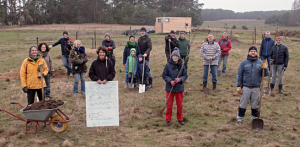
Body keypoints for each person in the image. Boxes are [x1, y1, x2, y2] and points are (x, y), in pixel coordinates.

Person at [236, 46, 269, 124]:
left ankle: (254, 119)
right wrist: (238, 86)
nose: (253, 52)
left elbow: (266, 74)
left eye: (254, 51)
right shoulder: (244, 63)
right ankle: (240, 119)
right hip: (246, 87)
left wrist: (265, 68)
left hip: (256, 87)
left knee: (255, 105)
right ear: (248, 52)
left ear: (256, 53)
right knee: (243, 104)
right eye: (251, 51)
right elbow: (239, 74)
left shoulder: (260, 62)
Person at [162, 48, 188, 126]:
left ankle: (180, 118)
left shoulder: (182, 66)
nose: (175, 57)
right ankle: (168, 119)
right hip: (170, 88)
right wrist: (170, 81)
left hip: (179, 88)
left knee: (179, 105)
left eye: (176, 56)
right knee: (169, 105)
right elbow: (164, 75)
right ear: (172, 57)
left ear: (179, 57)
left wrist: (180, 79)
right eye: (174, 56)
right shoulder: (168, 65)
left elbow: (185, 75)